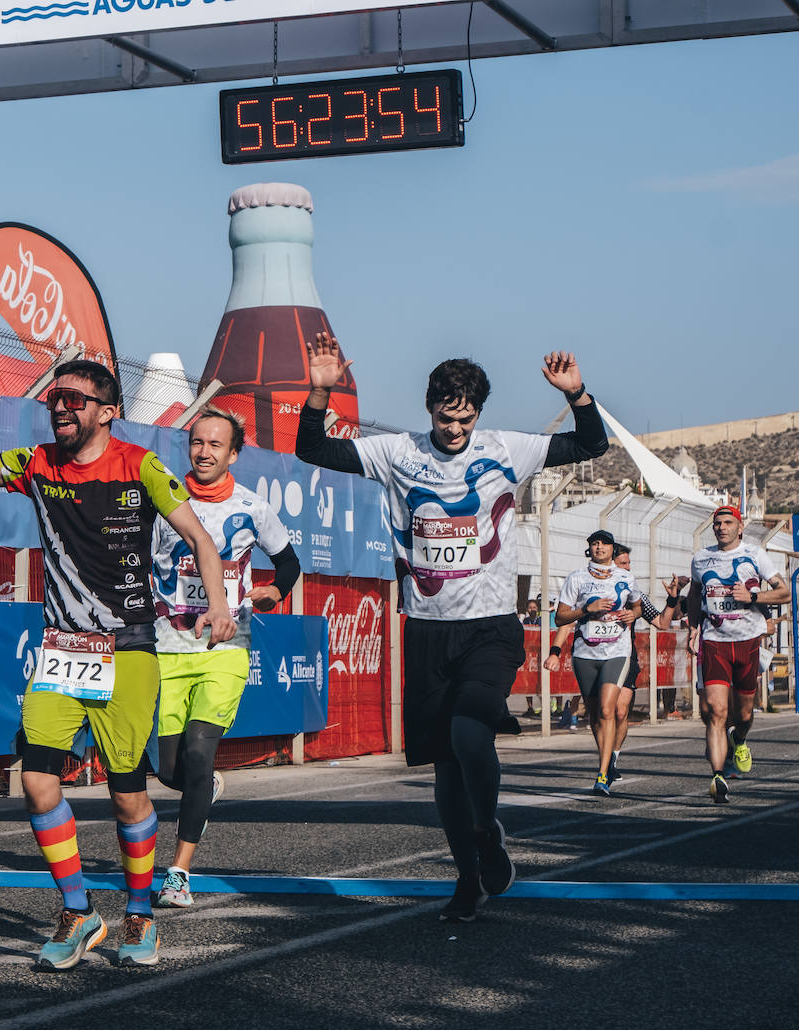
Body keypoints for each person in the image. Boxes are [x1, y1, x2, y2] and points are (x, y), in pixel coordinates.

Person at [0, 344, 235, 969]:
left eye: (73, 401)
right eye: (53, 399)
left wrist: (219, 604)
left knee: (125, 794)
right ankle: (78, 909)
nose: (59, 409)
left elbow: (200, 538)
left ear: (108, 412)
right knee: (37, 779)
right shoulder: (35, 463)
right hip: (61, 651)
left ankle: (140, 915)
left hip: (128, 651)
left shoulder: (140, 466)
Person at [296, 334, 608, 923]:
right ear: (430, 406)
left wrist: (578, 395)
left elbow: (593, 444)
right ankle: (468, 878)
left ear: (479, 414)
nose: (455, 428)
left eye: (466, 418)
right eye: (446, 415)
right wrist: (319, 391)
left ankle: (487, 833)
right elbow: (311, 449)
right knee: (444, 765)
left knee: (471, 737)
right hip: (428, 626)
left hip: (489, 625)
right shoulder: (398, 452)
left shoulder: (506, 449)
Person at [149, 407, 301, 909]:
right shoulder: (162, 500)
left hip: (225, 647)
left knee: (197, 752)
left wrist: (272, 594)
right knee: (170, 768)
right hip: (167, 646)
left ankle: (178, 872)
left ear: (234, 454)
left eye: (216, 445)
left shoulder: (253, 507)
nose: (204, 452)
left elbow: (288, 562)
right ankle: (205, 786)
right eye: (197, 442)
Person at [552, 532, 678, 796]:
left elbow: (654, 618)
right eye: (594, 544)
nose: (627, 566)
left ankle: (605, 768)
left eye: (604, 544)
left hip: (620, 652)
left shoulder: (628, 581)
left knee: (615, 710)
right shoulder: (577, 578)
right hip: (586, 652)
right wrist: (556, 648)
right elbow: (563, 618)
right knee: (597, 714)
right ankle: (608, 758)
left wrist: (650, 608)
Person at [686, 505, 789, 803]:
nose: (721, 528)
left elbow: (783, 592)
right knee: (716, 712)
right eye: (717, 523)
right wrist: (693, 628)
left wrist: (753, 596)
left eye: (728, 523)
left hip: (747, 642)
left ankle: (739, 738)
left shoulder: (755, 555)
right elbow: (694, 595)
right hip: (714, 643)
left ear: (739, 527)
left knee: (743, 714)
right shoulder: (701, 558)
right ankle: (718, 777)